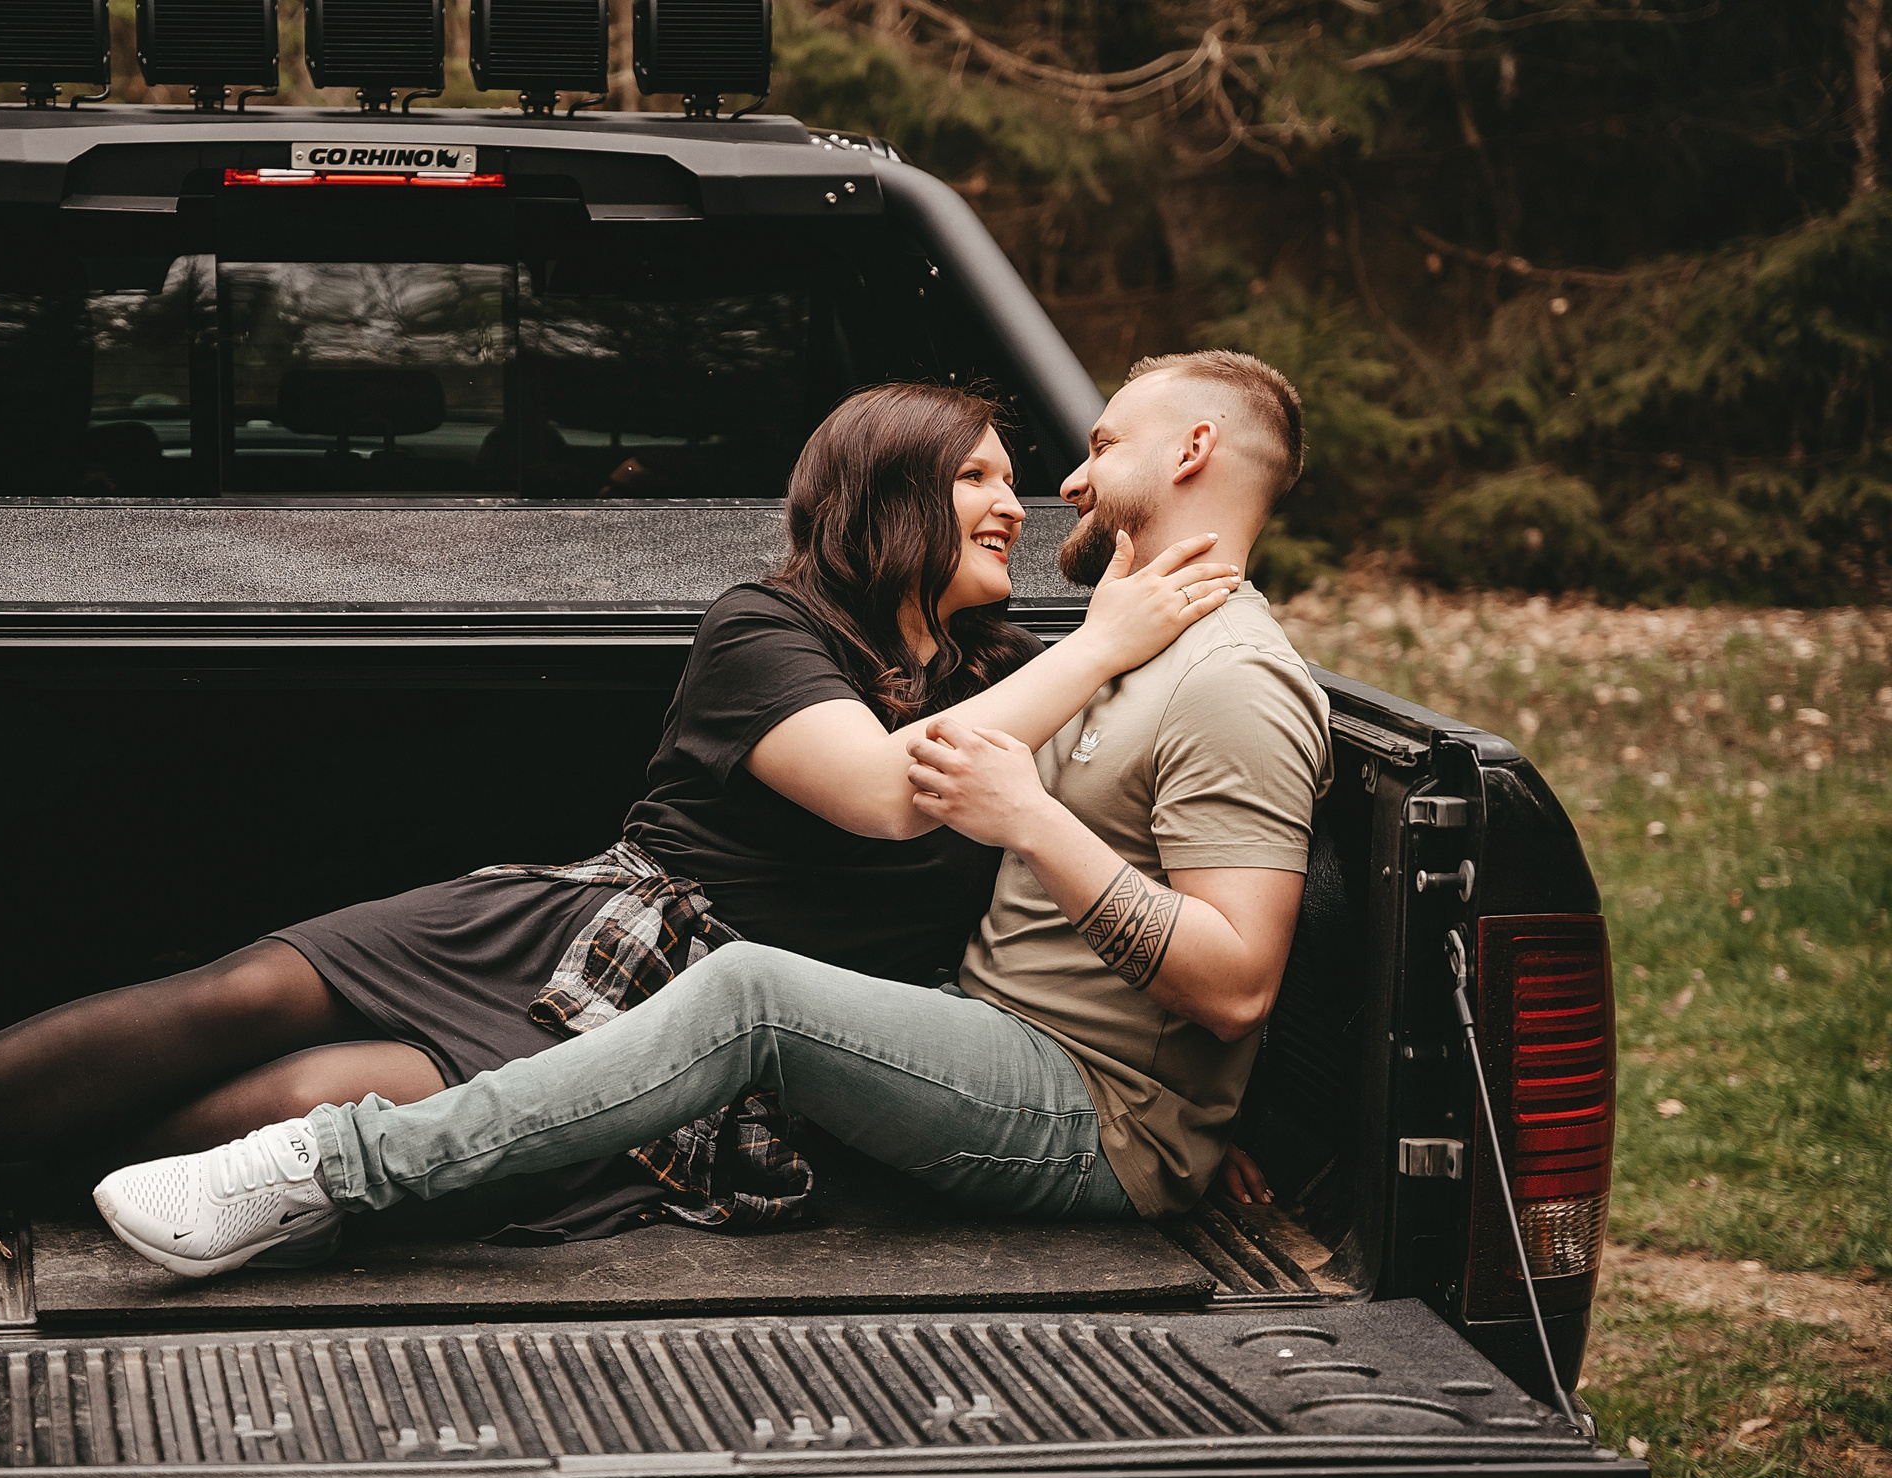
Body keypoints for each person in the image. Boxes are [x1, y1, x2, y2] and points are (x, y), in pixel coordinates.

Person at [0, 381, 1245, 1274]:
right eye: (974, 477)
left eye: (1017, 480)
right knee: (225, 999)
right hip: (583, 929)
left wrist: (1135, 565)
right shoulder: (768, 628)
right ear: (886, 496)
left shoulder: (1008, 670)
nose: (1014, 503)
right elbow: (893, 789)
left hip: (698, 1031)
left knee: (292, 1099)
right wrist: (1103, 639)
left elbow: (1159, 678)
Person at [91, 350, 1332, 1279]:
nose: (1066, 480)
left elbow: (1230, 987)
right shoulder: (1107, 652)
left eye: (1100, 443)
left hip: (1080, 1104)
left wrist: (1184, 1120)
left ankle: (330, 1165)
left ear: (1188, 453)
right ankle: (1, 1146)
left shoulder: (1227, 678)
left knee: (753, 994)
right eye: (986, 474)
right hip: (979, 1040)